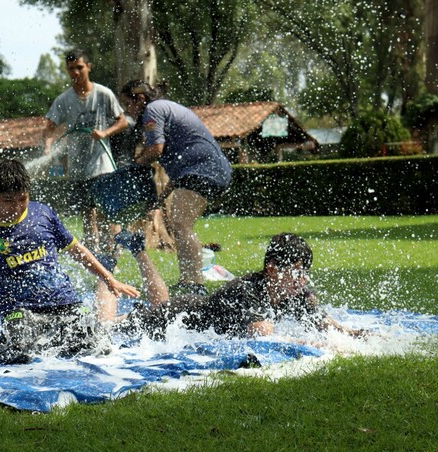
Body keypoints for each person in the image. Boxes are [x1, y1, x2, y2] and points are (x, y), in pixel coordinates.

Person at [0, 159, 140, 364]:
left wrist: (109, 279)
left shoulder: (43, 214)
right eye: (8, 201)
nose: (16, 208)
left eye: (22, 199)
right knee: (18, 353)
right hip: (19, 309)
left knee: (98, 346)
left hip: (64, 303)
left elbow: (76, 250)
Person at [115, 231, 366, 340]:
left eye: (305, 273)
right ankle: (118, 260)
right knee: (116, 326)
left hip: (184, 311)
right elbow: (263, 333)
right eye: (297, 272)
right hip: (174, 318)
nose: (303, 280)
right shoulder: (247, 290)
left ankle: (137, 248)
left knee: (157, 303)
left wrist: (356, 335)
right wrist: (318, 345)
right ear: (272, 268)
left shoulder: (293, 293)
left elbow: (322, 321)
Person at [120, 80, 233, 296]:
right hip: (202, 169)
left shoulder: (153, 110)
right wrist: (161, 198)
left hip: (204, 168)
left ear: (140, 99)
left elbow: (155, 149)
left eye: (128, 103)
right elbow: (177, 170)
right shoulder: (162, 108)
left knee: (181, 223)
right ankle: (189, 281)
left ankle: (193, 283)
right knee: (180, 222)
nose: (128, 110)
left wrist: (133, 167)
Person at [41, 49, 129, 320]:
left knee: (106, 213)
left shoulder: (103, 94)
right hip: (78, 169)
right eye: (71, 69)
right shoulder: (64, 99)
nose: (76, 73)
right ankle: (96, 265)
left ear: (88, 67)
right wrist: (48, 145)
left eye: (79, 67)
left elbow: (123, 121)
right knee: (87, 216)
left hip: (102, 164)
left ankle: (112, 256)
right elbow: (49, 126)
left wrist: (104, 132)